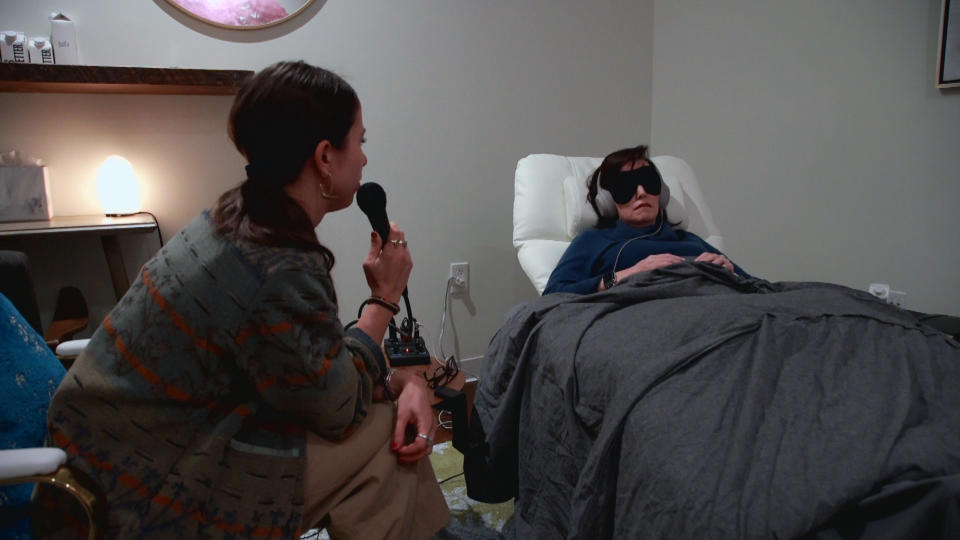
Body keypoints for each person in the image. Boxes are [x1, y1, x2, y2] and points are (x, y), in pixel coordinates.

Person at [44, 61, 449, 539]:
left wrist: (405, 381)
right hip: (142, 491)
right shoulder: (278, 261)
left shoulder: (232, 216)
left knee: (384, 431)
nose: (363, 159)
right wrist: (384, 300)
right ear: (324, 156)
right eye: (359, 142)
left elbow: (306, 370)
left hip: (110, 454)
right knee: (384, 436)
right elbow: (338, 406)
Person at [543, 144, 748, 295]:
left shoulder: (690, 241)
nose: (641, 193)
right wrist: (629, 273)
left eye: (648, 182)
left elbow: (758, 286)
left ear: (662, 193)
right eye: (626, 186)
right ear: (608, 199)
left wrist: (730, 273)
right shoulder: (594, 242)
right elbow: (554, 293)